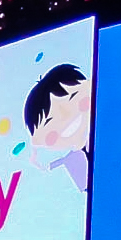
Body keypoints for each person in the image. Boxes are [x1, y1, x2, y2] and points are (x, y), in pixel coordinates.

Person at [23, 64, 91, 192]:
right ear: (38, 140)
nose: (66, 116)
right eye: (50, 120)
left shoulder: (106, 133)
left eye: (73, 98)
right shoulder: (72, 161)